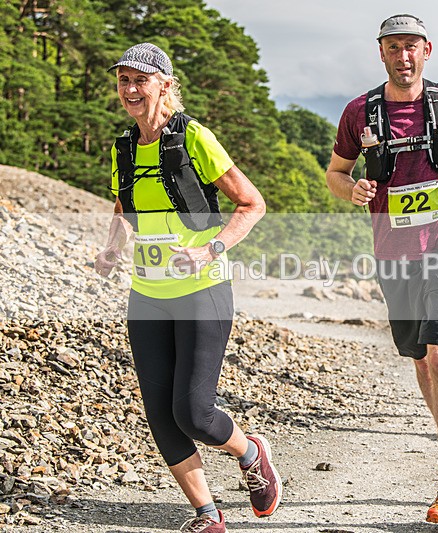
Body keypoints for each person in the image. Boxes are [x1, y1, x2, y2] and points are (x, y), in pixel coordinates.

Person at [95, 43, 280, 533]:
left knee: (194, 413)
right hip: (147, 293)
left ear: (166, 84)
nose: (131, 89)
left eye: (141, 80)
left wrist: (210, 250)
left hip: (202, 287)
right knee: (160, 413)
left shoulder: (194, 137)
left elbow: (251, 203)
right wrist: (112, 248)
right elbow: (123, 210)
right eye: (123, 81)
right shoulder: (122, 148)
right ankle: (207, 513)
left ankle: (250, 452)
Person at [325, 15, 438, 526]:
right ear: (381, 54)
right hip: (394, 252)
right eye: (393, 48)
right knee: (420, 361)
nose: (403, 56)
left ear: (427, 50)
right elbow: (335, 172)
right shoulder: (360, 113)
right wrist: (349, 190)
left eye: (411, 47)